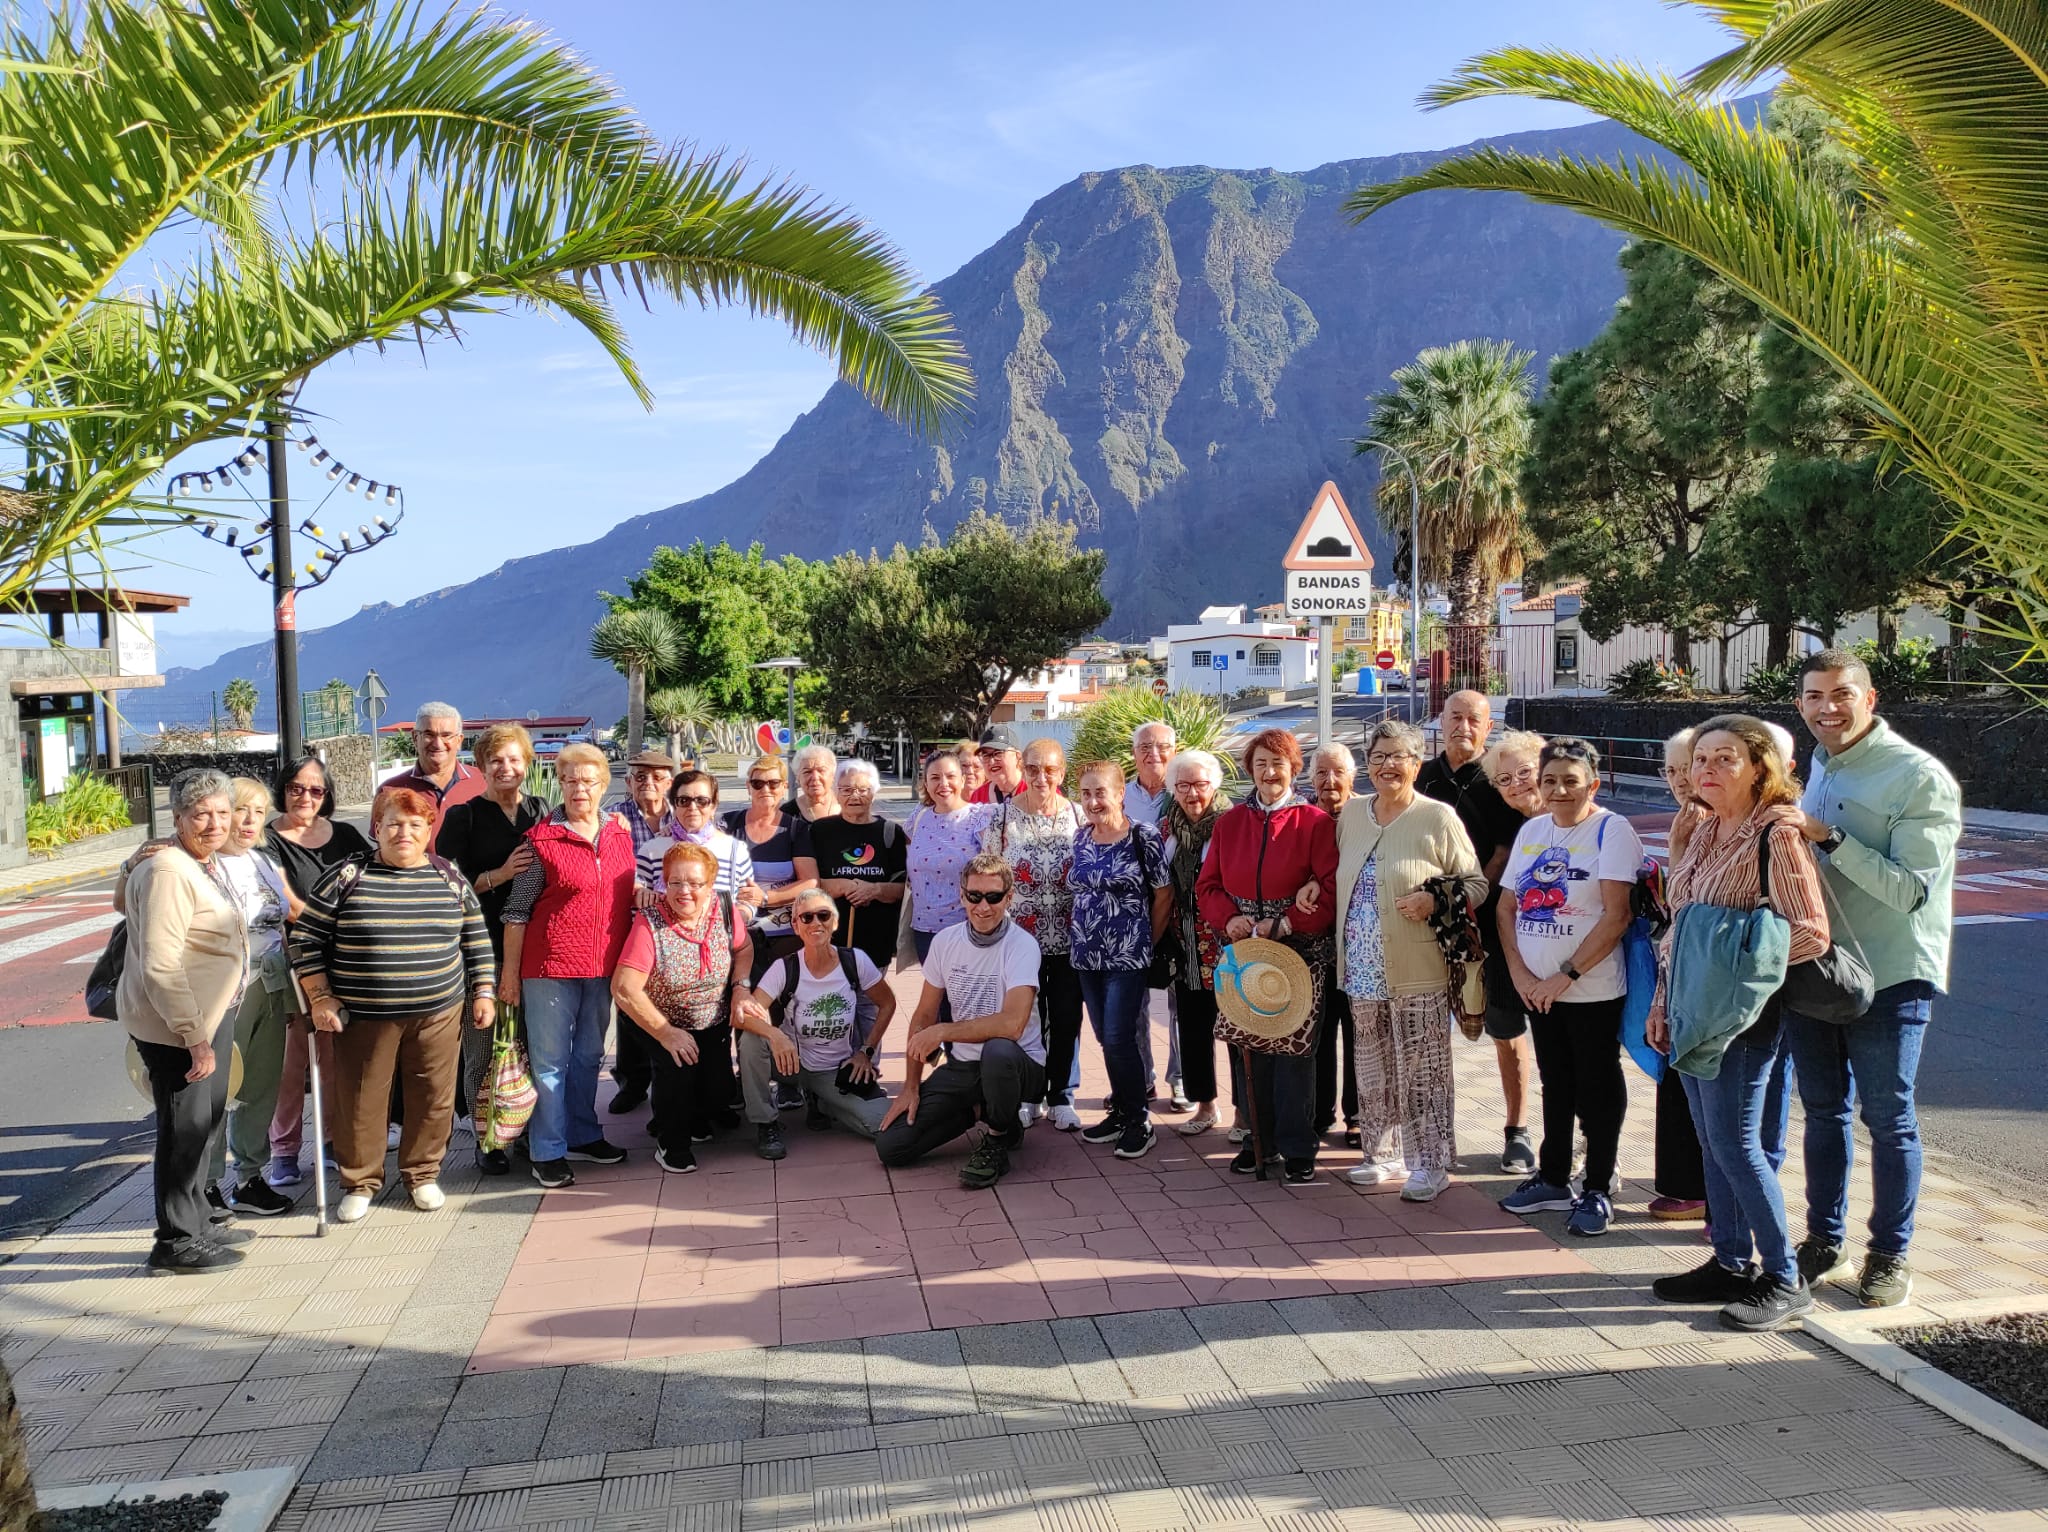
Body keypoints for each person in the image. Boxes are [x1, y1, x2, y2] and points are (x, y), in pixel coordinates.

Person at [1785, 648, 1960, 1308]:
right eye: (1813, 697)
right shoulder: (1820, 767)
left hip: (1890, 973)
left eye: (1841, 695)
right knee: (1824, 1113)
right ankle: (1823, 1243)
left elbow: (1912, 892)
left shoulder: (1919, 778)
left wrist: (1827, 837)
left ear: (1870, 698)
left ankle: (1890, 1255)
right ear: (1800, 704)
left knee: (1888, 1119)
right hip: (1819, 969)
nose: (1828, 708)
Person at [1649, 716, 1831, 1331]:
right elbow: (1680, 927)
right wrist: (1662, 1002)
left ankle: (1783, 1278)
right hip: (1689, 1010)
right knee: (1713, 1142)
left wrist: (1739, 978)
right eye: (1700, 759)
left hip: (1739, 1019)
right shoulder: (1701, 829)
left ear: (1760, 768)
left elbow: (1807, 930)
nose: (1706, 770)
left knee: (1737, 1144)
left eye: (1725, 759)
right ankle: (1729, 1261)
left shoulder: (1774, 832)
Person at [289, 785, 496, 1222]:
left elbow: (475, 939)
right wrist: (320, 996)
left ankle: (422, 1175)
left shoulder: (449, 877)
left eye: (415, 824)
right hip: (365, 1015)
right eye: (394, 824)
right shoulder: (348, 876)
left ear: (429, 830)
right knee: (362, 1099)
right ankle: (360, 1182)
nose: (404, 832)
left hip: (439, 1011)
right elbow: (305, 938)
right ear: (376, 828)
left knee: (433, 1096)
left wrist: (484, 991)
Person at [1496, 737, 1642, 1238]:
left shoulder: (1611, 831)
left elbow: (1616, 916)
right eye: (1550, 780)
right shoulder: (1533, 829)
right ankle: (1554, 1176)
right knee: (1555, 1082)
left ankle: (1598, 1185)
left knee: (1597, 1084)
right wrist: (1521, 975)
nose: (1558, 790)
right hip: (1537, 991)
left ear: (1593, 784)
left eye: (1570, 781)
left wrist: (1564, 976)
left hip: (1591, 989)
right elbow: (1506, 908)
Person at [1335, 721, 1486, 1202]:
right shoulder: (1353, 814)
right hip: (1361, 967)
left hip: (1418, 967)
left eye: (1398, 757)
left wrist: (1432, 900)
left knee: (1423, 1067)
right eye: (1378, 756)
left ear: (1416, 764)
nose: (1386, 766)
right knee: (1371, 1063)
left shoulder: (1436, 817)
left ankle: (1432, 1163)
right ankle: (1382, 1154)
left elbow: (1476, 883)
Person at [118, 770, 251, 1273]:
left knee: (205, 1123)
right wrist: (195, 1038)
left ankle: (196, 1222)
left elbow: (120, 900)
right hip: (179, 1025)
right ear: (177, 819)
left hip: (207, 1013)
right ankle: (175, 1241)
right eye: (202, 815)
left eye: (222, 812)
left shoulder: (196, 861)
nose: (215, 824)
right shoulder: (170, 870)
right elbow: (160, 964)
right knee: (184, 1128)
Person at [1198, 729, 1338, 1183]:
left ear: (1294, 768)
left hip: (1298, 950)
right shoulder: (1229, 822)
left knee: (1295, 1053)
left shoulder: (1315, 822)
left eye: (1278, 763)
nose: (1269, 772)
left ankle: (1298, 1147)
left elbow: (1331, 889)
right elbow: (1208, 886)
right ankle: (1259, 1141)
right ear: (1249, 770)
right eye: (1260, 764)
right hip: (1245, 951)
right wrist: (1229, 920)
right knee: (1249, 1052)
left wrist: (1288, 923)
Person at [500, 742, 637, 1190]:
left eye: (590, 780)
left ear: (603, 785)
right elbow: (517, 913)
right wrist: (509, 977)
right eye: (571, 780)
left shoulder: (619, 833)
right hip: (549, 967)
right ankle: (548, 1150)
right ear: (560, 783)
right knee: (550, 1063)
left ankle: (583, 1133)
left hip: (603, 966)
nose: (581, 788)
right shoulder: (540, 841)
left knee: (589, 1056)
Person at [1418, 691, 1538, 1176]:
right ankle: (1431, 1132)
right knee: (1428, 1032)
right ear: (1440, 722)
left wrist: (1468, 898)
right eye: (1454, 717)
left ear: (1488, 727)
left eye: (1474, 719)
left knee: (1505, 1030)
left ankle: (1517, 1129)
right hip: (1428, 922)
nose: (1462, 726)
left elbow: (1507, 851)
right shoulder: (1423, 775)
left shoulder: (1498, 775)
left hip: (1490, 922)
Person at [876, 854, 1045, 1189]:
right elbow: (924, 1016)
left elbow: (1012, 1025)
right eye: (975, 896)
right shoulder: (945, 942)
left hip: (1019, 1065)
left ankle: (997, 1140)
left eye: (994, 897)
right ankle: (988, 1113)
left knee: (998, 1050)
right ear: (962, 895)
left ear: (1009, 898)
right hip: (965, 1068)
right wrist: (910, 1087)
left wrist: (944, 1030)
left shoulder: (1023, 946)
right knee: (891, 1147)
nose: (983, 907)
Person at [434, 722, 547, 1170]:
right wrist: (499, 875)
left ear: (527, 764)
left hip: (536, 947)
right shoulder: (464, 817)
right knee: (484, 1044)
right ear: (480, 766)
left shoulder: (540, 811)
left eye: (514, 759)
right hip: (482, 948)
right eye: (496, 760)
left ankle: (523, 1129)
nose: (506, 767)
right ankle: (489, 1140)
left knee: (530, 1045)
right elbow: (446, 886)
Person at [610, 842, 756, 1173]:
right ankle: (670, 1142)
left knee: (720, 1090)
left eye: (694, 883)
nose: (684, 891)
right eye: (675, 882)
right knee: (678, 1067)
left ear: (711, 884)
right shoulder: (650, 922)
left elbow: (744, 948)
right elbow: (624, 988)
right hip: (657, 1015)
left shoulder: (725, 908)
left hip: (711, 1014)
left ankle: (690, 1115)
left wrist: (740, 987)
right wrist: (666, 1033)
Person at [261, 755, 372, 1188]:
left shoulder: (344, 834)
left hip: (342, 962)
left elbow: (366, 882)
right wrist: (329, 924)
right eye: (296, 788)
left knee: (332, 1058)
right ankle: (284, 1149)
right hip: (295, 961)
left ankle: (328, 1141)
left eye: (316, 790)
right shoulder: (268, 840)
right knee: (291, 1061)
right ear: (283, 789)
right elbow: (286, 902)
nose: (305, 797)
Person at [1068, 760, 1173, 1160]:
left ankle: (1139, 1120)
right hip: (1085, 955)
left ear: (1119, 793)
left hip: (1128, 956)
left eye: (1101, 792)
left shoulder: (1142, 836)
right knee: (1104, 1037)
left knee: (1118, 1037)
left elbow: (1163, 894)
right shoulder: (1081, 838)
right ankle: (1122, 1111)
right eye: (1086, 793)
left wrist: (1147, 940)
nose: (1094, 801)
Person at [981, 737, 1086, 1129]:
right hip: (1018, 942)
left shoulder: (1077, 815)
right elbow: (990, 874)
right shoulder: (1002, 818)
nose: (1041, 777)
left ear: (1062, 773)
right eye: (1033, 769)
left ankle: (1062, 1095)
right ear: (1022, 771)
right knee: (1022, 1020)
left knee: (1065, 1018)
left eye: (1050, 770)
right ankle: (1028, 1094)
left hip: (1068, 938)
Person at [740, 888, 899, 1146]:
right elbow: (743, 1016)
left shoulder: (855, 961)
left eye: (823, 916)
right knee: (751, 1039)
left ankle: (824, 1102)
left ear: (834, 923)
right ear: (795, 925)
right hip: (789, 1064)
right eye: (806, 918)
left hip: (832, 1070)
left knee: (883, 1126)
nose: (816, 923)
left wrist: (866, 1051)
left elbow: (887, 1003)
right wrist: (775, 1034)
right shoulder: (786, 967)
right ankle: (765, 1123)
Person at [205, 779, 298, 1217]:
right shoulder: (201, 865)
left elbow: (288, 916)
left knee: (260, 1084)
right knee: (217, 1087)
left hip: (271, 982)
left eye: (259, 812)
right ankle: (204, 1183)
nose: (248, 821)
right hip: (225, 991)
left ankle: (249, 1178)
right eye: (241, 809)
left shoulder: (261, 861)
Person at [1648, 728, 1710, 1223]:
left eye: (1685, 767)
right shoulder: (1687, 820)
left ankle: (1705, 1194)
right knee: (1675, 1079)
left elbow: (1685, 903)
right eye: (1670, 770)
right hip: (1677, 969)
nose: (1679, 779)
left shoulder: (1718, 822)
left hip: (1706, 974)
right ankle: (1684, 1185)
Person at [1161, 751, 1231, 1136]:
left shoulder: (1233, 825)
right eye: (1183, 786)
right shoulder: (1165, 829)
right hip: (1185, 946)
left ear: (1214, 785)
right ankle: (1205, 1105)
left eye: (1200, 785)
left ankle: (1245, 1114)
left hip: (1226, 944)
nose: (1192, 794)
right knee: (1193, 1027)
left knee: (1239, 1029)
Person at [1127, 719, 1186, 1110]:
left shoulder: (1185, 791)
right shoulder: (1119, 795)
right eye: (1145, 747)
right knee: (1132, 1003)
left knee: (1180, 1002)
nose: (1154, 754)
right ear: (1134, 754)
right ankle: (1141, 1076)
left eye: (1162, 746)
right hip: (1129, 914)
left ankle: (1180, 1079)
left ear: (1175, 751)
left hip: (1180, 913)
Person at [1306, 742, 1362, 1145]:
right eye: (1322, 774)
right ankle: (1319, 1110)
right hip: (1314, 943)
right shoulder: (1303, 817)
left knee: (1358, 1030)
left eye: (1338, 772)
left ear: (1352, 776)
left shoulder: (1366, 813)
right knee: (1319, 1030)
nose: (1330, 782)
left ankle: (1357, 1114)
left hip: (1359, 941)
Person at [803, 758, 907, 974]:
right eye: (847, 789)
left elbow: (902, 889)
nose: (854, 796)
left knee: (870, 1004)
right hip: (828, 939)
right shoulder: (819, 831)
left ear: (875, 792)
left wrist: (875, 890)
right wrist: (842, 885)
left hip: (876, 940)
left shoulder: (890, 832)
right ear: (836, 793)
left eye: (863, 789)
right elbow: (808, 883)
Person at [722, 754, 815, 983]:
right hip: (734, 932)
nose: (766, 789)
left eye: (773, 783)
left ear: (784, 787)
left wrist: (764, 897)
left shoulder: (796, 829)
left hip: (783, 935)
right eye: (758, 783)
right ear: (748, 787)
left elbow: (811, 882)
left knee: (779, 1007)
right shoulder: (726, 824)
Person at [904, 751, 996, 966]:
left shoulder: (979, 817)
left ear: (962, 780)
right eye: (935, 778)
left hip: (966, 929)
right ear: (926, 783)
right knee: (935, 997)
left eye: (950, 776)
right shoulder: (919, 816)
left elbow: (995, 872)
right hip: (924, 929)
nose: (943, 784)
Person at [638, 770, 757, 906]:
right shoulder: (651, 851)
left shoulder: (735, 851)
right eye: (684, 801)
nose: (692, 807)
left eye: (701, 801)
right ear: (674, 806)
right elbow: (639, 904)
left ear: (713, 806)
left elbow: (748, 901)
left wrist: (735, 918)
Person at [383, 700, 486, 810]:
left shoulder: (485, 783)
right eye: (429, 735)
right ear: (415, 738)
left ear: (459, 741)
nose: (437, 744)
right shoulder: (390, 791)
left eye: (446, 735)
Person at [970, 726, 1026, 804]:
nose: (992, 762)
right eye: (985, 755)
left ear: (1017, 756)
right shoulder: (978, 796)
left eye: (998, 753)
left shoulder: (1033, 791)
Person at [788, 745, 842, 824]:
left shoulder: (849, 807)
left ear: (833, 775)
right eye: (807, 772)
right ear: (798, 778)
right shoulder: (787, 813)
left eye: (821, 770)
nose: (815, 777)